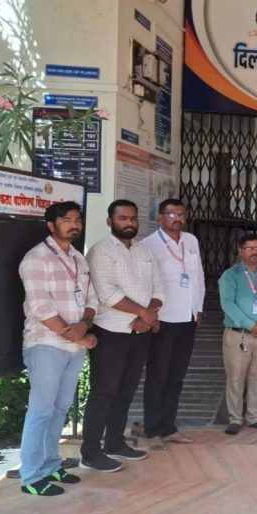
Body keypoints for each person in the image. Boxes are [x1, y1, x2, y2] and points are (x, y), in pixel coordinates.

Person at [17, 201, 97, 496]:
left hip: (73, 346)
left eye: (78, 220)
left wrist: (85, 325)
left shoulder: (79, 258)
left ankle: (51, 465)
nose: (74, 225)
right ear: (51, 225)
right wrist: (77, 336)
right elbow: (41, 308)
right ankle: (30, 476)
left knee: (60, 408)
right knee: (41, 410)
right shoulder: (36, 259)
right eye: (67, 220)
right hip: (46, 344)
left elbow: (92, 299)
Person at [82, 200, 164, 472]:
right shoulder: (100, 251)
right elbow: (107, 293)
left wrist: (148, 316)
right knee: (104, 392)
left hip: (140, 332)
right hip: (110, 332)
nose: (129, 223)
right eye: (122, 218)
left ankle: (115, 443)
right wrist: (143, 313)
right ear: (110, 221)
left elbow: (159, 287)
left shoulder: (144, 251)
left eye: (133, 218)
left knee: (126, 390)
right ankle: (90, 452)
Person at [139, 198, 205, 447]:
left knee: (176, 376)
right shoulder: (148, 245)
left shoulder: (191, 241)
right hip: (163, 320)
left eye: (181, 214)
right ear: (160, 217)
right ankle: (153, 429)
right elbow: (144, 284)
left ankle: (169, 427)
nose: (178, 218)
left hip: (187, 318)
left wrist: (198, 308)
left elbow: (198, 276)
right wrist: (151, 316)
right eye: (172, 214)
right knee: (157, 376)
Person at [218, 234, 257, 434]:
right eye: (249, 248)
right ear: (240, 251)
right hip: (240, 335)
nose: (255, 252)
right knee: (236, 378)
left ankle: (254, 416)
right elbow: (227, 303)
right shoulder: (231, 275)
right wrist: (250, 324)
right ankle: (235, 418)